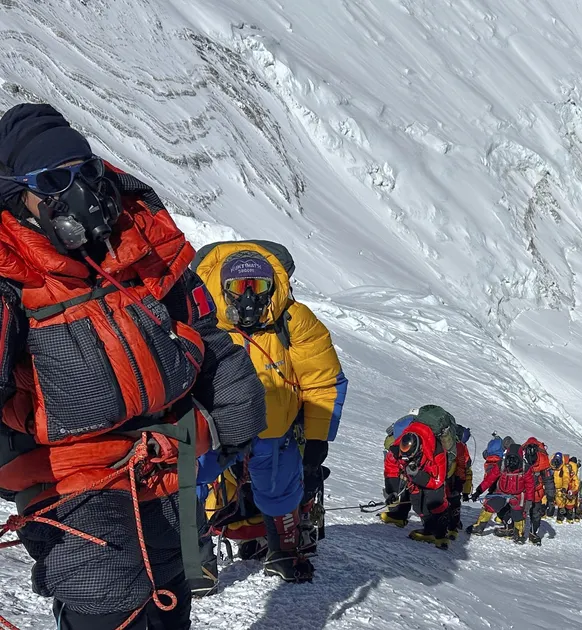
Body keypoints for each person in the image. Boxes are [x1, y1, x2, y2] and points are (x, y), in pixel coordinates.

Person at [0, 103, 266, 629]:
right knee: (106, 594)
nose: (80, 192)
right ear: (17, 197)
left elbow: (204, 331)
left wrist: (235, 406)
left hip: (167, 450)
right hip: (68, 473)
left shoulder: (138, 243)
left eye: (86, 171)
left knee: (173, 584)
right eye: (54, 180)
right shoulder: (10, 276)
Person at [193, 240, 348, 588]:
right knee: (188, 481)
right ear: (222, 288)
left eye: (259, 287)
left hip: (272, 432)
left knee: (279, 487)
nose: (249, 297)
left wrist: (317, 440)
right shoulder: (201, 319)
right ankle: (194, 563)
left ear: (274, 287)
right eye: (238, 288)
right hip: (216, 432)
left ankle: (283, 552)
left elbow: (322, 383)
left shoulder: (294, 321)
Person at [391, 408, 453, 549]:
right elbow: (391, 466)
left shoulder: (437, 452)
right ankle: (429, 530)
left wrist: (417, 476)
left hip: (432, 477)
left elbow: (437, 481)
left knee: (435, 502)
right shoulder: (400, 445)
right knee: (417, 502)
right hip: (417, 477)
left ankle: (441, 536)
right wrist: (392, 490)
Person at [468, 444, 532, 544]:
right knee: (489, 506)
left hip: (518, 495)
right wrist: (479, 491)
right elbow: (490, 479)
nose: (511, 462)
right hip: (501, 493)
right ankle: (479, 527)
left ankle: (519, 534)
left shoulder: (525, 469)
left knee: (519, 514)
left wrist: (529, 501)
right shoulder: (501, 465)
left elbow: (530, 486)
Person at [520, 438, 555, 545]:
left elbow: (548, 481)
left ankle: (532, 532)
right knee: (523, 512)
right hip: (525, 490)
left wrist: (550, 499)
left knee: (533, 513)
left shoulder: (544, 460)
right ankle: (522, 532)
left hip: (534, 491)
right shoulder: (522, 456)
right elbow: (548, 481)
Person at [446, 425, 473, 538]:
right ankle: (453, 526)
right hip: (456, 478)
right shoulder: (461, 447)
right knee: (454, 502)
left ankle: (444, 524)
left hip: (444, 477)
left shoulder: (446, 442)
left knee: (443, 501)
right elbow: (464, 465)